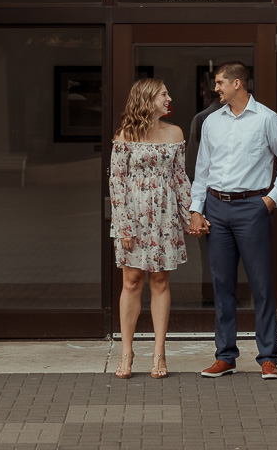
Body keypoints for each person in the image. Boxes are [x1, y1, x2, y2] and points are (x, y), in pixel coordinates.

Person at [188, 62, 277, 380]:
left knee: (261, 284)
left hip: (252, 207)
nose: (216, 88)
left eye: (220, 83)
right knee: (222, 285)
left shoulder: (266, 119)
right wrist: (197, 209)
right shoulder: (211, 122)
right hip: (216, 208)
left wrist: (271, 199)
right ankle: (225, 356)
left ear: (238, 83)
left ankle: (268, 356)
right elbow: (202, 171)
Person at [109, 77, 192, 379]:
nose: (169, 98)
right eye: (163, 94)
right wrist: (124, 226)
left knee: (160, 282)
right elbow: (116, 181)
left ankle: (159, 352)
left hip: (164, 217)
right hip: (133, 216)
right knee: (131, 281)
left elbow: (181, 179)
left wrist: (190, 215)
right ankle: (126, 352)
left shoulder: (175, 133)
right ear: (147, 99)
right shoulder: (125, 135)